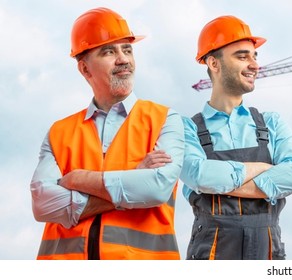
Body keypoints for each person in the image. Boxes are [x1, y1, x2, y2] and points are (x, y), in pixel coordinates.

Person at [30, 7, 184, 260]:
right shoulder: (60, 132)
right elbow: (43, 205)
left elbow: (156, 189)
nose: (123, 59)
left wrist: (79, 180)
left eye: (127, 49)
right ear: (85, 69)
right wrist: (134, 178)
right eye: (109, 51)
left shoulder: (165, 120)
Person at [181, 15, 292, 260]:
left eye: (254, 56)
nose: (254, 65)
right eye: (242, 56)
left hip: (268, 251)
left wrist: (221, 181)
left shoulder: (271, 123)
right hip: (211, 253)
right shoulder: (186, 128)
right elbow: (199, 175)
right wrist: (263, 169)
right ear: (213, 63)